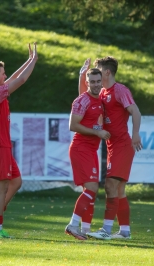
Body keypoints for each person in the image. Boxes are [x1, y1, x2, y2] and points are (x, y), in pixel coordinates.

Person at [79, 56, 142, 240]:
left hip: (122, 145)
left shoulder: (120, 90)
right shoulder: (103, 93)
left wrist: (136, 134)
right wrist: (82, 75)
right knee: (119, 190)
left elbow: (135, 111)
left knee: (110, 185)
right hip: (112, 145)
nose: (96, 72)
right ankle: (124, 231)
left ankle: (106, 230)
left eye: (98, 69)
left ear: (107, 72)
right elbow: (83, 96)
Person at [0, 43, 38, 238]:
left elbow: (15, 78)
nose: (5, 76)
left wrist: (29, 60)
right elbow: (21, 80)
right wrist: (34, 62)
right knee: (1, 186)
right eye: (3, 74)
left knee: (16, 181)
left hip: (1, 144)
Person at [65, 67, 111, 240]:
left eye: (98, 81)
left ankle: (85, 230)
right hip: (81, 148)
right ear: (87, 83)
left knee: (91, 190)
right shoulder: (82, 100)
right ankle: (72, 225)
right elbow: (73, 125)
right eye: (92, 82)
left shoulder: (100, 98)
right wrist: (97, 132)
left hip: (91, 150)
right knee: (91, 189)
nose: (96, 84)